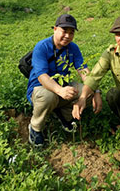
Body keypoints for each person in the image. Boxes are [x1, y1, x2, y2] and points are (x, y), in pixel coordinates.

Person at [26, 14, 103, 147]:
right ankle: (35, 128)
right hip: (40, 89)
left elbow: (83, 70)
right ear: (55, 29)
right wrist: (60, 90)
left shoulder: (73, 48)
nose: (67, 36)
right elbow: (42, 76)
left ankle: (64, 116)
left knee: (86, 92)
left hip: (62, 88)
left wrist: (95, 91)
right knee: (49, 96)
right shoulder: (42, 47)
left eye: (71, 32)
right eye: (64, 31)